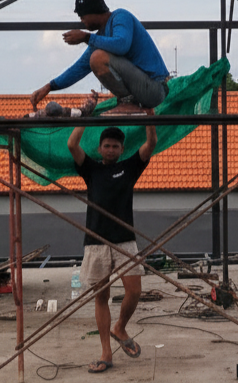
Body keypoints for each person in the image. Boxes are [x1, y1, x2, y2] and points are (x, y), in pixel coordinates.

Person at [68, 118, 157, 374]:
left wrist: (149, 116)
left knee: (135, 290)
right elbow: (72, 144)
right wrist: (84, 117)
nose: (110, 149)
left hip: (125, 240)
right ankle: (106, 353)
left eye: (115, 146)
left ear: (122, 149)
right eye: (106, 145)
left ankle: (120, 326)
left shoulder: (130, 167)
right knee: (102, 297)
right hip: (96, 242)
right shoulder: (91, 169)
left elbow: (151, 143)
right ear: (99, 148)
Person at [31, 0, 170, 116]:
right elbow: (80, 67)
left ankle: (128, 103)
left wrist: (86, 37)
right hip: (144, 89)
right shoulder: (101, 37)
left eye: (83, 16)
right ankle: (131, 103)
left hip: (154, 87)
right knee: (94, 58)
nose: (82, 21)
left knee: (97, 58)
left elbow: (122, 45)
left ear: (93, 12)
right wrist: (50, 86)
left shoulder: (121, 16)